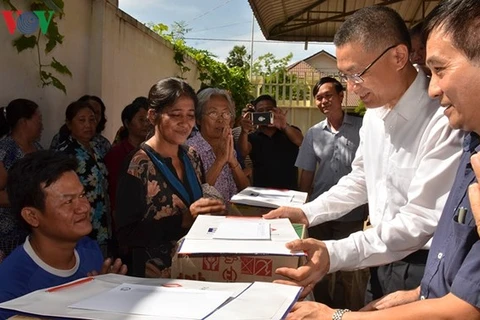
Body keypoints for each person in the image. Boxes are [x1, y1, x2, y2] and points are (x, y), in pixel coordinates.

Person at [284, 1, 480, 318]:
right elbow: (361, 178)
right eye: (344, 75)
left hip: (424, 263)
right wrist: (306, 213)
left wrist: (334, 255)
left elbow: (418, 221)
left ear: (398, 57)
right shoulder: (374, 114)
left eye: (357, 74)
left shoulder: (448, 117)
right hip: (380, 258)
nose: (350, 88)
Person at [115, 77, 225, 278]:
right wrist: (182, 220)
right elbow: (125, 233)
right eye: (176, 115)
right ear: (153, 115)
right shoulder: (138, 165)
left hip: (192, 271)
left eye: (190, 115)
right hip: (153, 278)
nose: (185, 124)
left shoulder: (191, 156)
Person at [0, 150, 127, 319]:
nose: (84, 207)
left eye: (82, 195)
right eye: (68, 201)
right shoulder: (11, 287)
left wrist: (106, 297)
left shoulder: (89, 249)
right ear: (32, 216)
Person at [295, 77, 367, 309]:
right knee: (318, 267)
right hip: (320, 214)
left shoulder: (363, 128)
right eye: (319, 97)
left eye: (328, 95)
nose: (324, 101)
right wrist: (302, 209)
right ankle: (324, 311)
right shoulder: (313, 134)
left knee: (350, 270)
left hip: (352, 213)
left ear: (340, 96)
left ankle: (350, 312)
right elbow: (306, 174)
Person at [54, 101, 110, 256]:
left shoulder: (97, 148)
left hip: (101, 221)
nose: (88, 125)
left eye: (92, 120)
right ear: (69, 124)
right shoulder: (64, 153)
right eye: (82, 120)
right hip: (78, 220)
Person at [186, 88, 249, 201]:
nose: (220, 120)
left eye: (225, 114)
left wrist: (233, 162)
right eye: (213, 113)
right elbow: (197, 196)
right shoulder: (190, 150)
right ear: (199, 119)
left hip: (230, 214)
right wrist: (219, 161)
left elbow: (245, 189)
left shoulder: (228, 145)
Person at [0, 99, 43, 263]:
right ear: (24, 122)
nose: (41, 125)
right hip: (9, 232)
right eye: (38, 119)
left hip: (34, 229)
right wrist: (28, 198)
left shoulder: (38, 148)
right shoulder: (5, 149)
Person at [238, 94, 303, 190]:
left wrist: (284, 126)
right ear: (255, 114)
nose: (265, 113)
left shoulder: (289, 131)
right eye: (260, 111)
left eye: (268, 110)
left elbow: (301, 141)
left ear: (276, 110)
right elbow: (243, 152)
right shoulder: (252, 137)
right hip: (261, 192)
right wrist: (244, 131)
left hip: (289, 191)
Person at [105, 100, 150, 214]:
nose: (146, 124)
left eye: (147, 120)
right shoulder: (117, 153)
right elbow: (114, 188)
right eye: (141, 120)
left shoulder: (151, 151)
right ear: (127, 123)